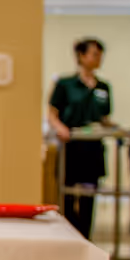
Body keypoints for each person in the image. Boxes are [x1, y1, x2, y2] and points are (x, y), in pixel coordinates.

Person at [48, 38, 114, 238]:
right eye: (94, 54)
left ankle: (85, 235)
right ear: (81, 56)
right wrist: (61, 129)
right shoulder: (66, 84)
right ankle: (69, 232)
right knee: (68, 192)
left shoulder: (103, 87)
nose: (98, 58)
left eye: (100, 55)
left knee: (89, 193)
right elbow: (52, 113)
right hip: (72, 145)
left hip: (93, 147)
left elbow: (104, 117)